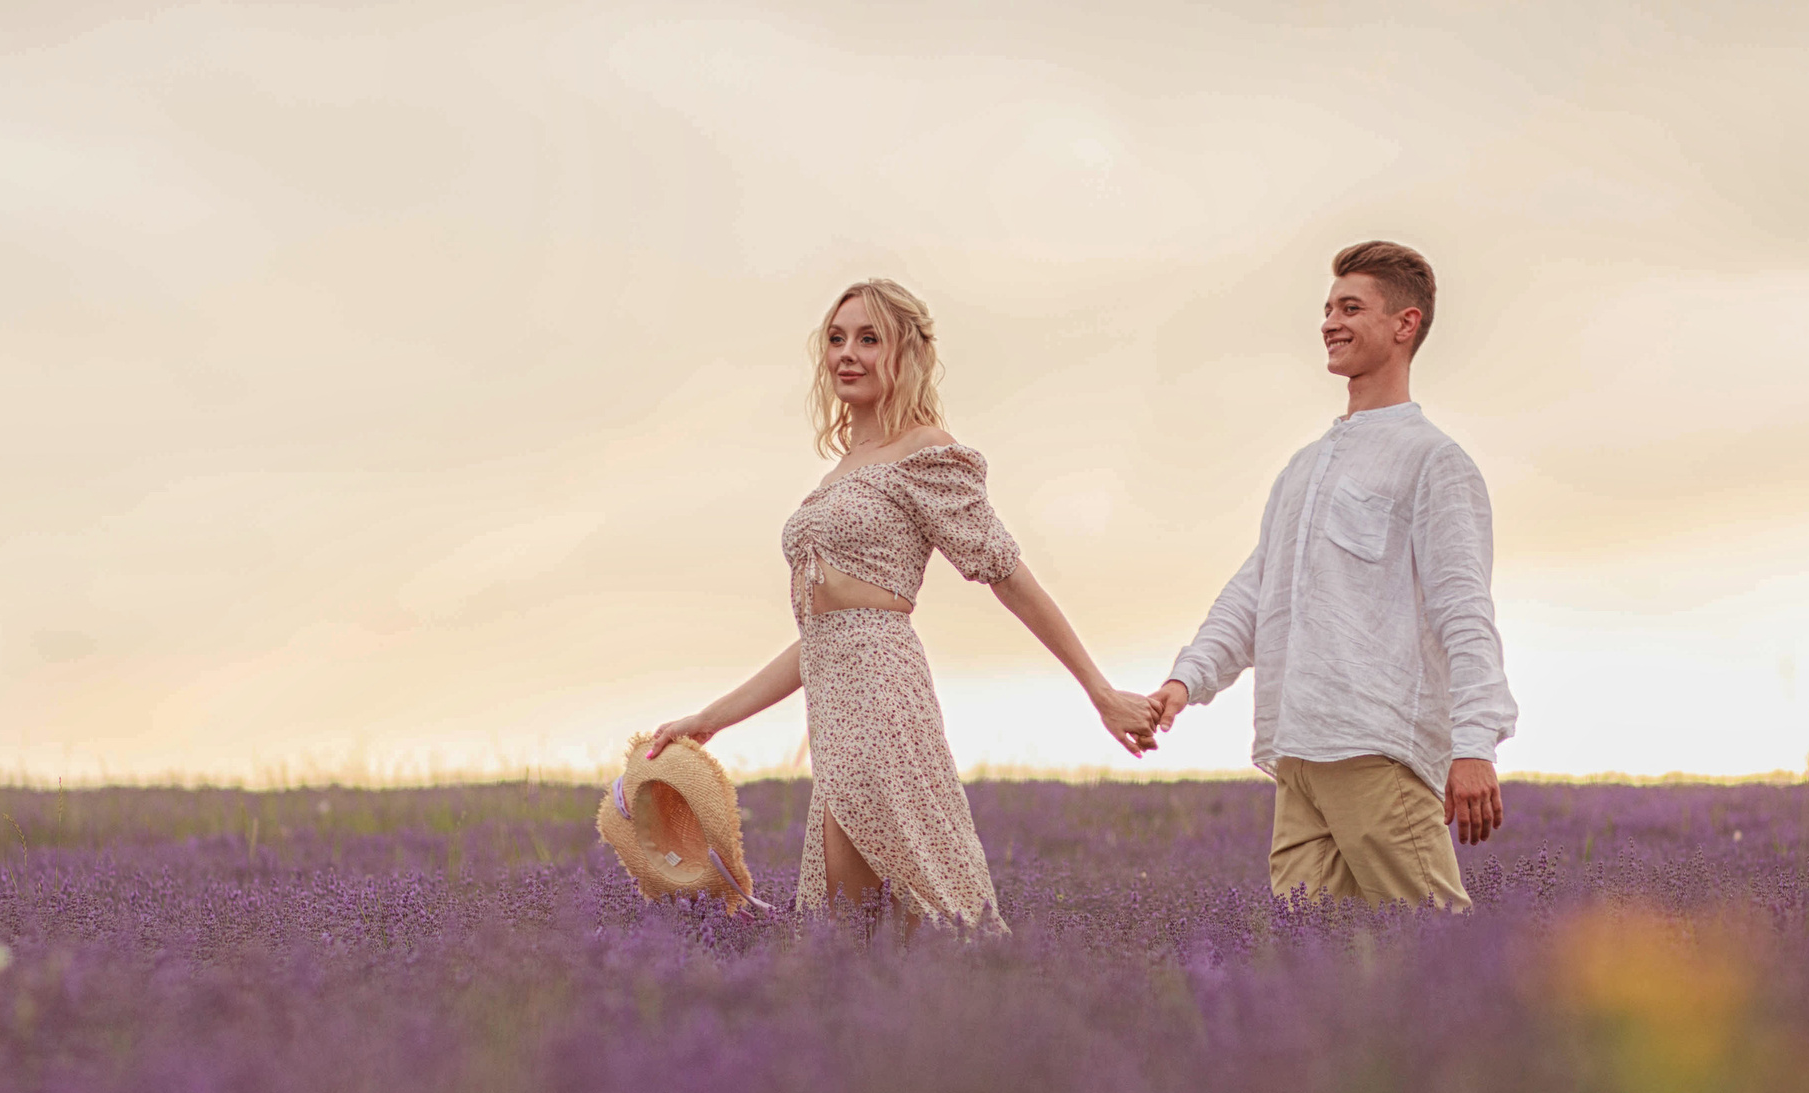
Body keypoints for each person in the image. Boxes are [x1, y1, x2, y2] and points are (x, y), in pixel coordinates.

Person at [647, 279, 1162, 931]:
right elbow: (821, 639)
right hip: (835, 711)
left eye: (869, 339)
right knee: (873, 930)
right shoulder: (841, 469)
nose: (847, 354)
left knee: (874, 916)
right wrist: (711, 718)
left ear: (907, 353)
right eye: (836, 340)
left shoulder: (924, 452)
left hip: (884, 705)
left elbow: (1007, 575)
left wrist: (1099, 690)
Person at [1148, 242, 1517, 909]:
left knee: (1436, 946)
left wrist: (1474, 744)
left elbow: (1465, 612)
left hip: (1375, 751)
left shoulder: (1433, 462)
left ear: (1405, 325)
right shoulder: (1302, 469)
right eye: (1326, 308)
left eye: (1351, 307)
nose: (1329, 322)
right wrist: (1186, 680)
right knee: (1310, 964)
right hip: (1297, 757)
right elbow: (1257, 593)